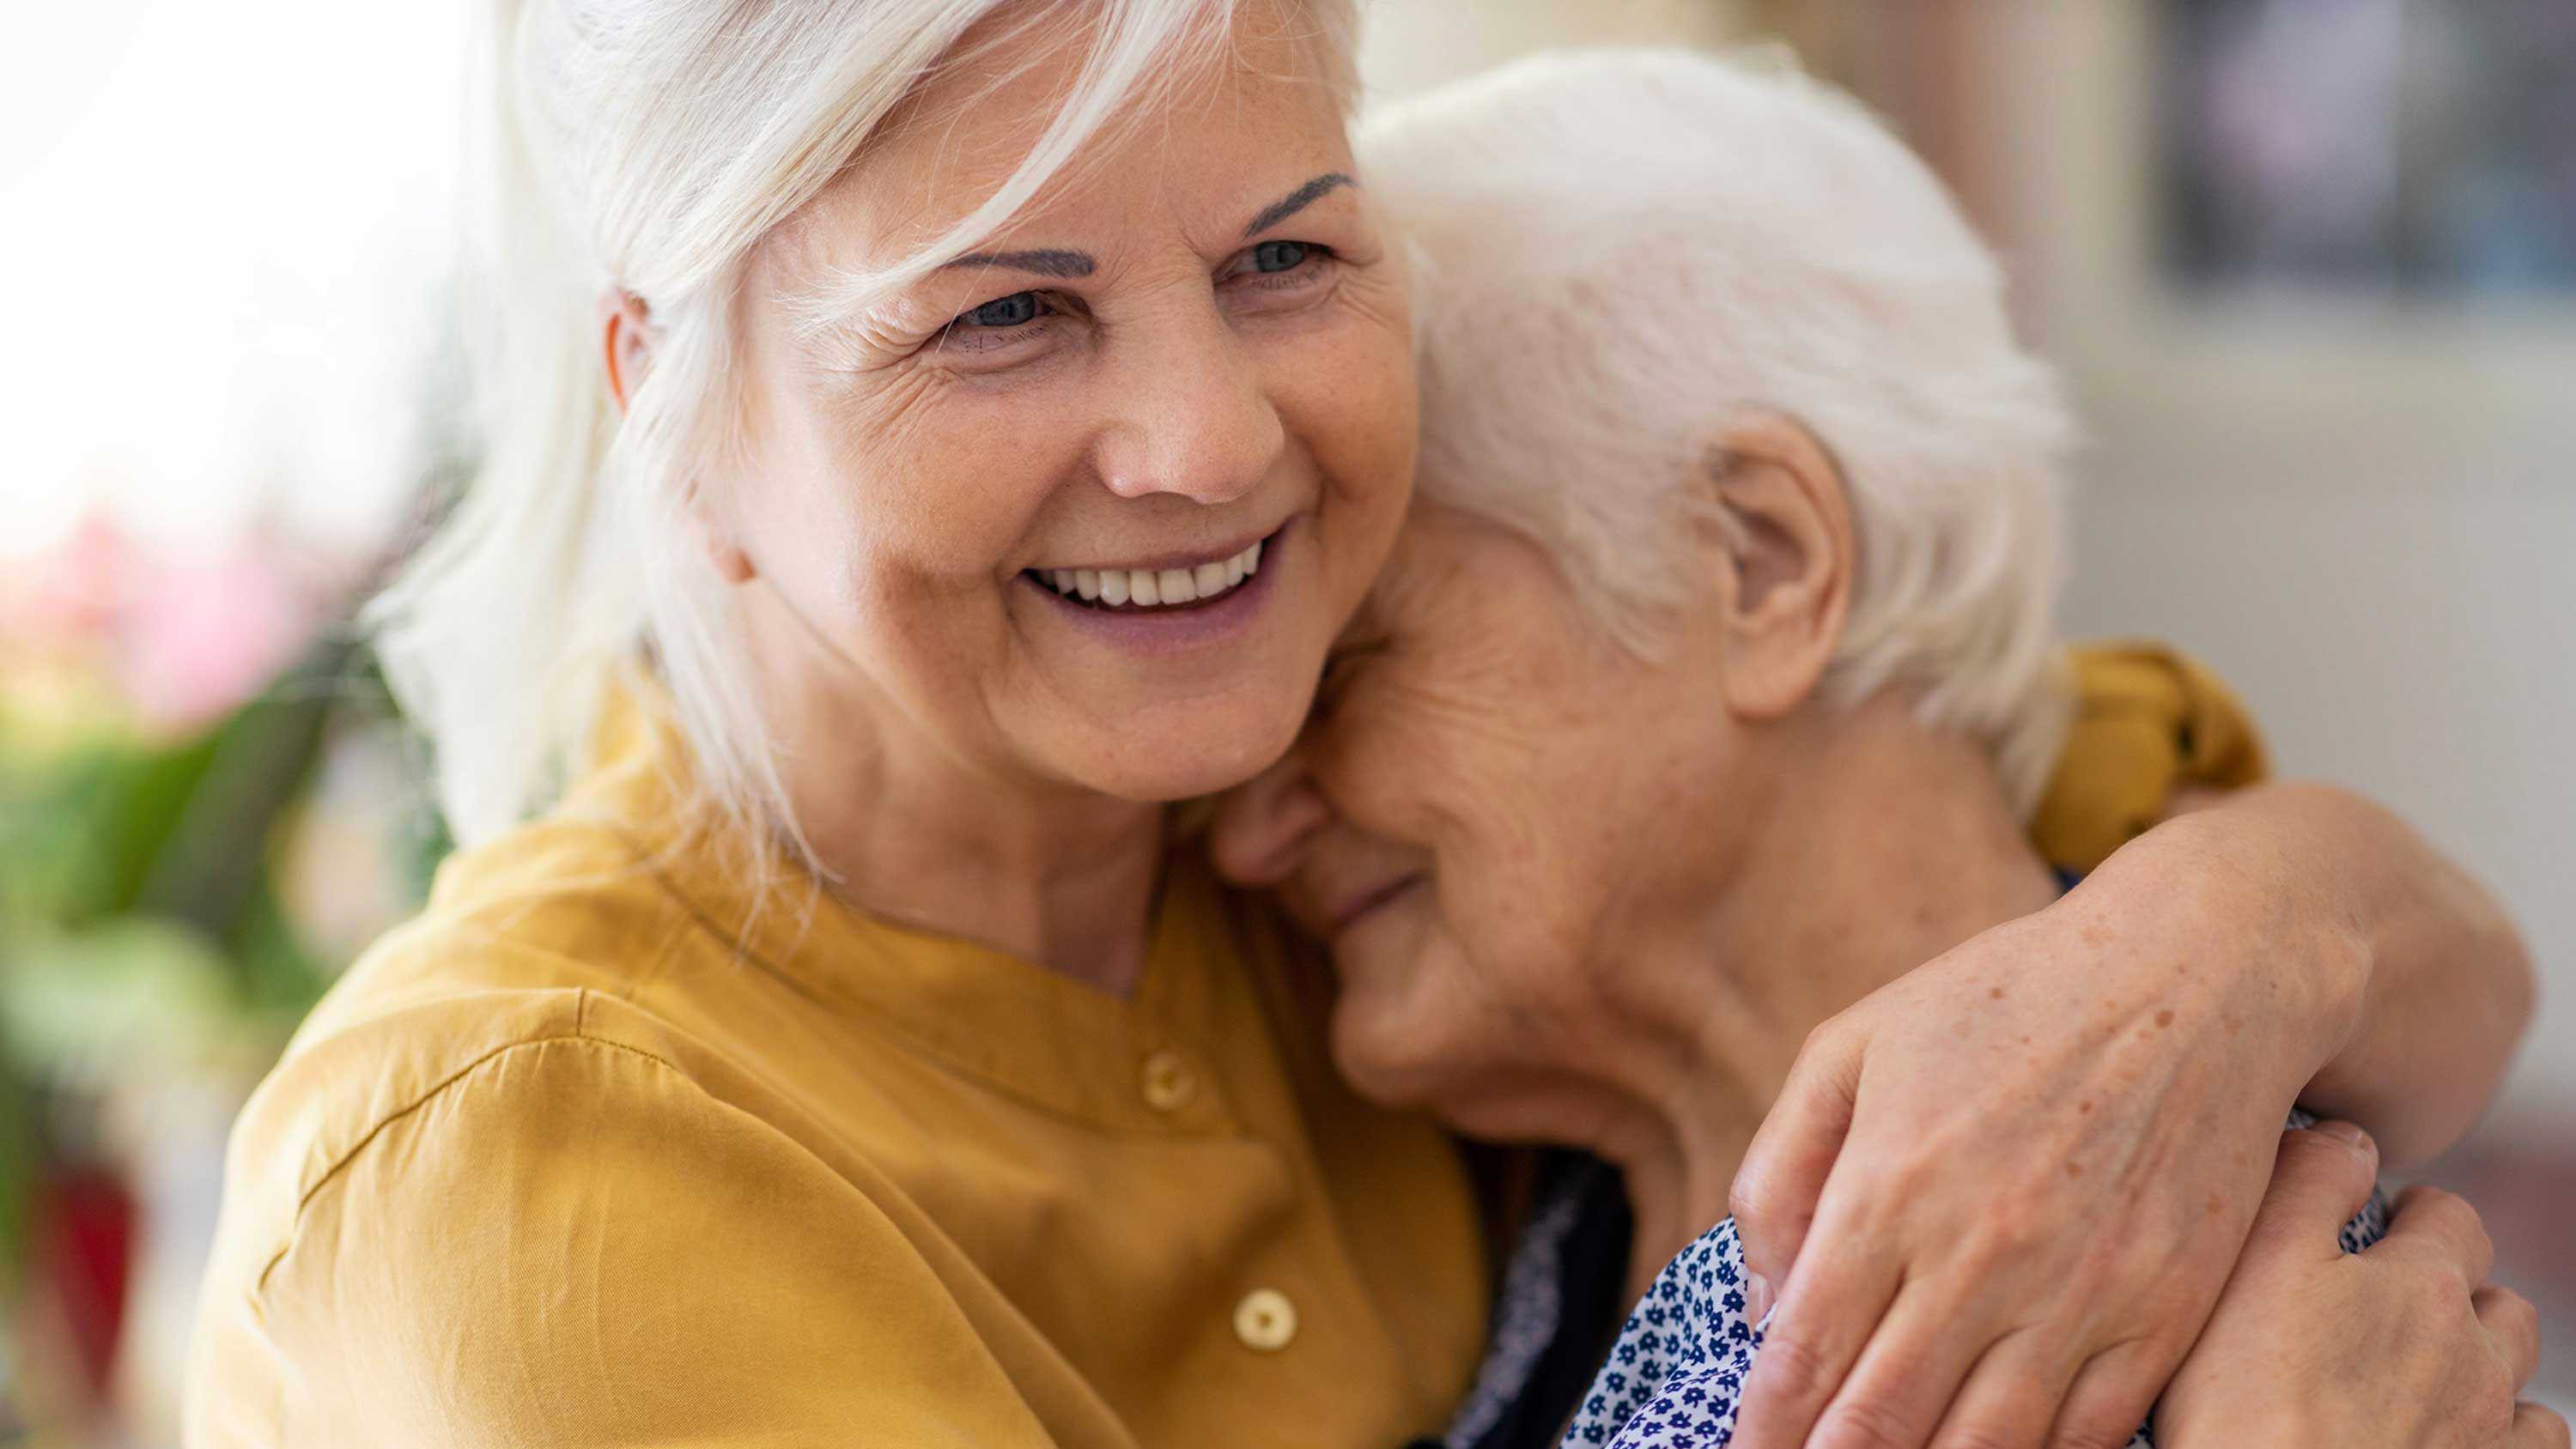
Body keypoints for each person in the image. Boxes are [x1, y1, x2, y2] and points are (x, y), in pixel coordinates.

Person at [184, 8, 2530, 1446]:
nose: (1206, 449)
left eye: (1287, 256)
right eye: (1004, 315)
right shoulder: (526, 1171)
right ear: (674, 401)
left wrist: (2239, 948)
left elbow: (2164, 853)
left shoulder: (1273, 815)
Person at [1212, 48, 2553, 1449]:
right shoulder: (1526, 1217)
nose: (1246, 825)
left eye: (1348, 667)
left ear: (1764, 561)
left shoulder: (2221, 1304)